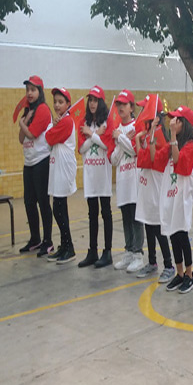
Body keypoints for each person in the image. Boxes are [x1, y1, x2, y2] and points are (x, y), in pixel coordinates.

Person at [151, 106, 193, 294]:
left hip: (182, 195)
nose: (173, 122)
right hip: (171, 195)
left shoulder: (190, 145)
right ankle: (179, 273)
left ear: (184, 123)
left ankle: (189, 274)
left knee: (181, 234)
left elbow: (180, 163)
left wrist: (171, 136)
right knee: (172, 234)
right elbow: (156, 158)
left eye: (177, 120)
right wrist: (152, 134)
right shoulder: (173, 143)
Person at [134, 98, 176, 283]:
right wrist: (138, 139)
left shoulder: (159, 137)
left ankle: (169, 265)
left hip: (156, 190)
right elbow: (140, 158)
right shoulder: (147, 135)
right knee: (149, 227)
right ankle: (152, 262)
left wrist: (146, 141)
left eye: (144, 109)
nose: (141, 113)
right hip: (147, 190)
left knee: (159, 229)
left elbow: (150, 159)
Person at [77, 86, 115, 268]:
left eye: (95, 100)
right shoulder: (83, 122)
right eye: (90, 100)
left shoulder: (107, 122)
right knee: (92, 213)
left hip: (103, 175)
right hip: (90, 175)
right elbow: (81, 148)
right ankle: (92, 251)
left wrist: (91, 134)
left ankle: (107, 252)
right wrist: (95, 135)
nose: (92, 104)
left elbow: (108, 146)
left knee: (106, 212)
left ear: (101, 102)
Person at [18, 76, 53, 255]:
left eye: (33, 89)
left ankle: (48, 240)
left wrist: (22, 124)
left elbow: (31, 134)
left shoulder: (43, 109)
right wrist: (24, 121)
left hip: (41, 161)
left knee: (43, 202)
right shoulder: (28, 111)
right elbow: (21, 138)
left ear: (39, 91)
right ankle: (35, 238)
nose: (29, 93)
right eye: (27, 90)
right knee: (29, 202)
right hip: (29, 163)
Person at [110, 89, 145, 273]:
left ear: (131, 107)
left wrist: (121, 139)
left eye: (124, 104)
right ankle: (129, 251)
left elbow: (134, 151)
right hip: (122, 180)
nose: (120, 107)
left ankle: (138, 254)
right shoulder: (117, 130)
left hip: (134, 180)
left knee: (136, 217)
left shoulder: (136, 126)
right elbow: (113, 159)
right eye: (118, 104)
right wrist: (121, 140)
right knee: (125, 217)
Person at [44, 87, 78, 264]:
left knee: (58, 208)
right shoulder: (61, 121)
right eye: (55, 102)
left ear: (68, 104)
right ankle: (64, 245)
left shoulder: (67, 121)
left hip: (64, 168)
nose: (57, 105)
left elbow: (48, 138)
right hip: (58, 166)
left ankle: (69, 247)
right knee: (60, 207)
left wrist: (53, 125)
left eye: (61, 102)